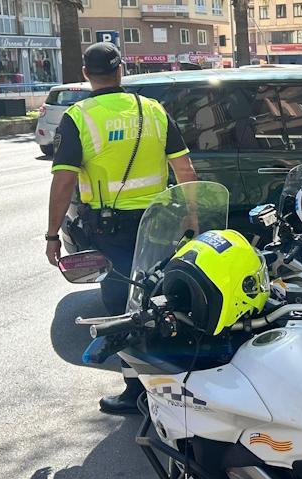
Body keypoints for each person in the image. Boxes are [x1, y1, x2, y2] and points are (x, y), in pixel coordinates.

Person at [44, 42, 199, 414]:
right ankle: (178, 382)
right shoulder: (153, 111)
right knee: (161, 298)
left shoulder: (79, 117)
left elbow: (63, 183)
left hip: (109, 232)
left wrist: (52, 236)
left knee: (122, 309)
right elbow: (186, 172)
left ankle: (137, 392)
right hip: (159, 225)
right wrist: (193, 218)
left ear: (86, 74)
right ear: (120, 71)